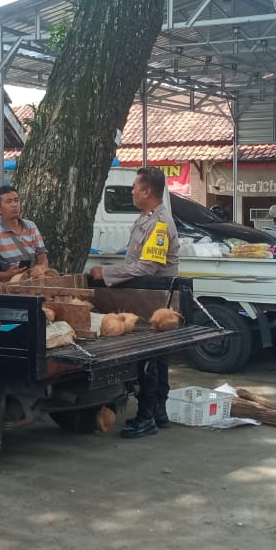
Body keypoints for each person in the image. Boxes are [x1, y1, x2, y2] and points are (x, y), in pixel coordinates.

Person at [88, 167, 179, 439]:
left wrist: (106, 274)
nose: (132, 192)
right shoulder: (146, 218)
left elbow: (147, 267)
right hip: (147, 299)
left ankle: (146, 417)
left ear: (147, 191)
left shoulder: (159, 223)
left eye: (134, 187)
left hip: (155, 302)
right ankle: (159, 413)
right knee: (158, 359)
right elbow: (135, 259)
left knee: (148, 360)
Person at [0, 185, 49, 283]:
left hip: (33, 285)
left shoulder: (31, 226)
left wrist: (40, 272)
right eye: (8, 202)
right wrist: (5, 275)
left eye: (16, 200)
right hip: (8, 290)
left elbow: (42, 256)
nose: (14, 205)